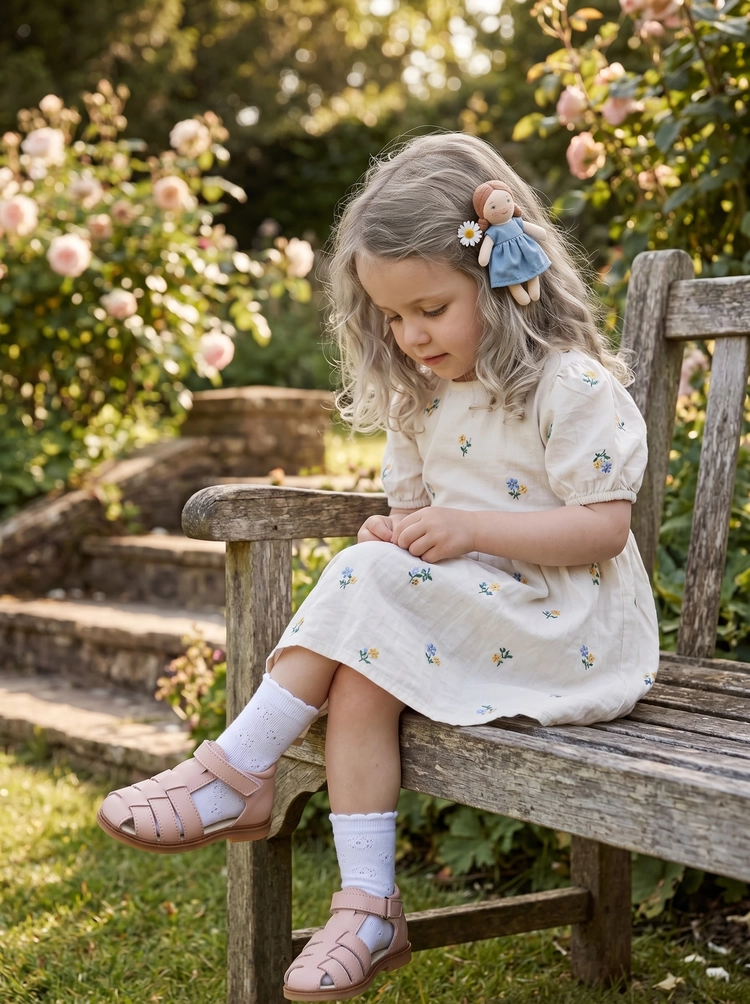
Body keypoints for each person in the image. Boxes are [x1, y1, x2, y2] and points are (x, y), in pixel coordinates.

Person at [96, 131, 659, 1002]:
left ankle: (238, 770)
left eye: (430, 308)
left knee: (363, 586)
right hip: (477, 617)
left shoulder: (568, 386)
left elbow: (603, 533)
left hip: (568, 627)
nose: (410, 335)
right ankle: (368, 907)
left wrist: (466, 530)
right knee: (359, 670)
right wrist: (401, 538)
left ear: (501, 284)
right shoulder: (421, 398)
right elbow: (411, 520)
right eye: (391, 317)